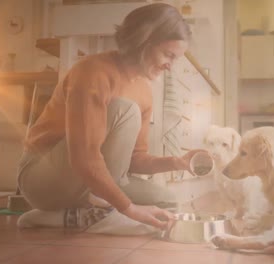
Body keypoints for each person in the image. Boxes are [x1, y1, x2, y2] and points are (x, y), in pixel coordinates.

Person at [17, 3, 201, 230]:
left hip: (91, 180)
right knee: (125, 109)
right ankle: (105, 213)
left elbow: (134, 160)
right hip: (42, 178)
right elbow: (84, 157)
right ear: (143, 41)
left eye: (176, 59)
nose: (170, 67)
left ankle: (68, 218)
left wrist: (176, 162)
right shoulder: (92, 72)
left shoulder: (144, 90)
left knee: (167, 202)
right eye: (168, 55)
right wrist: (129, 208)